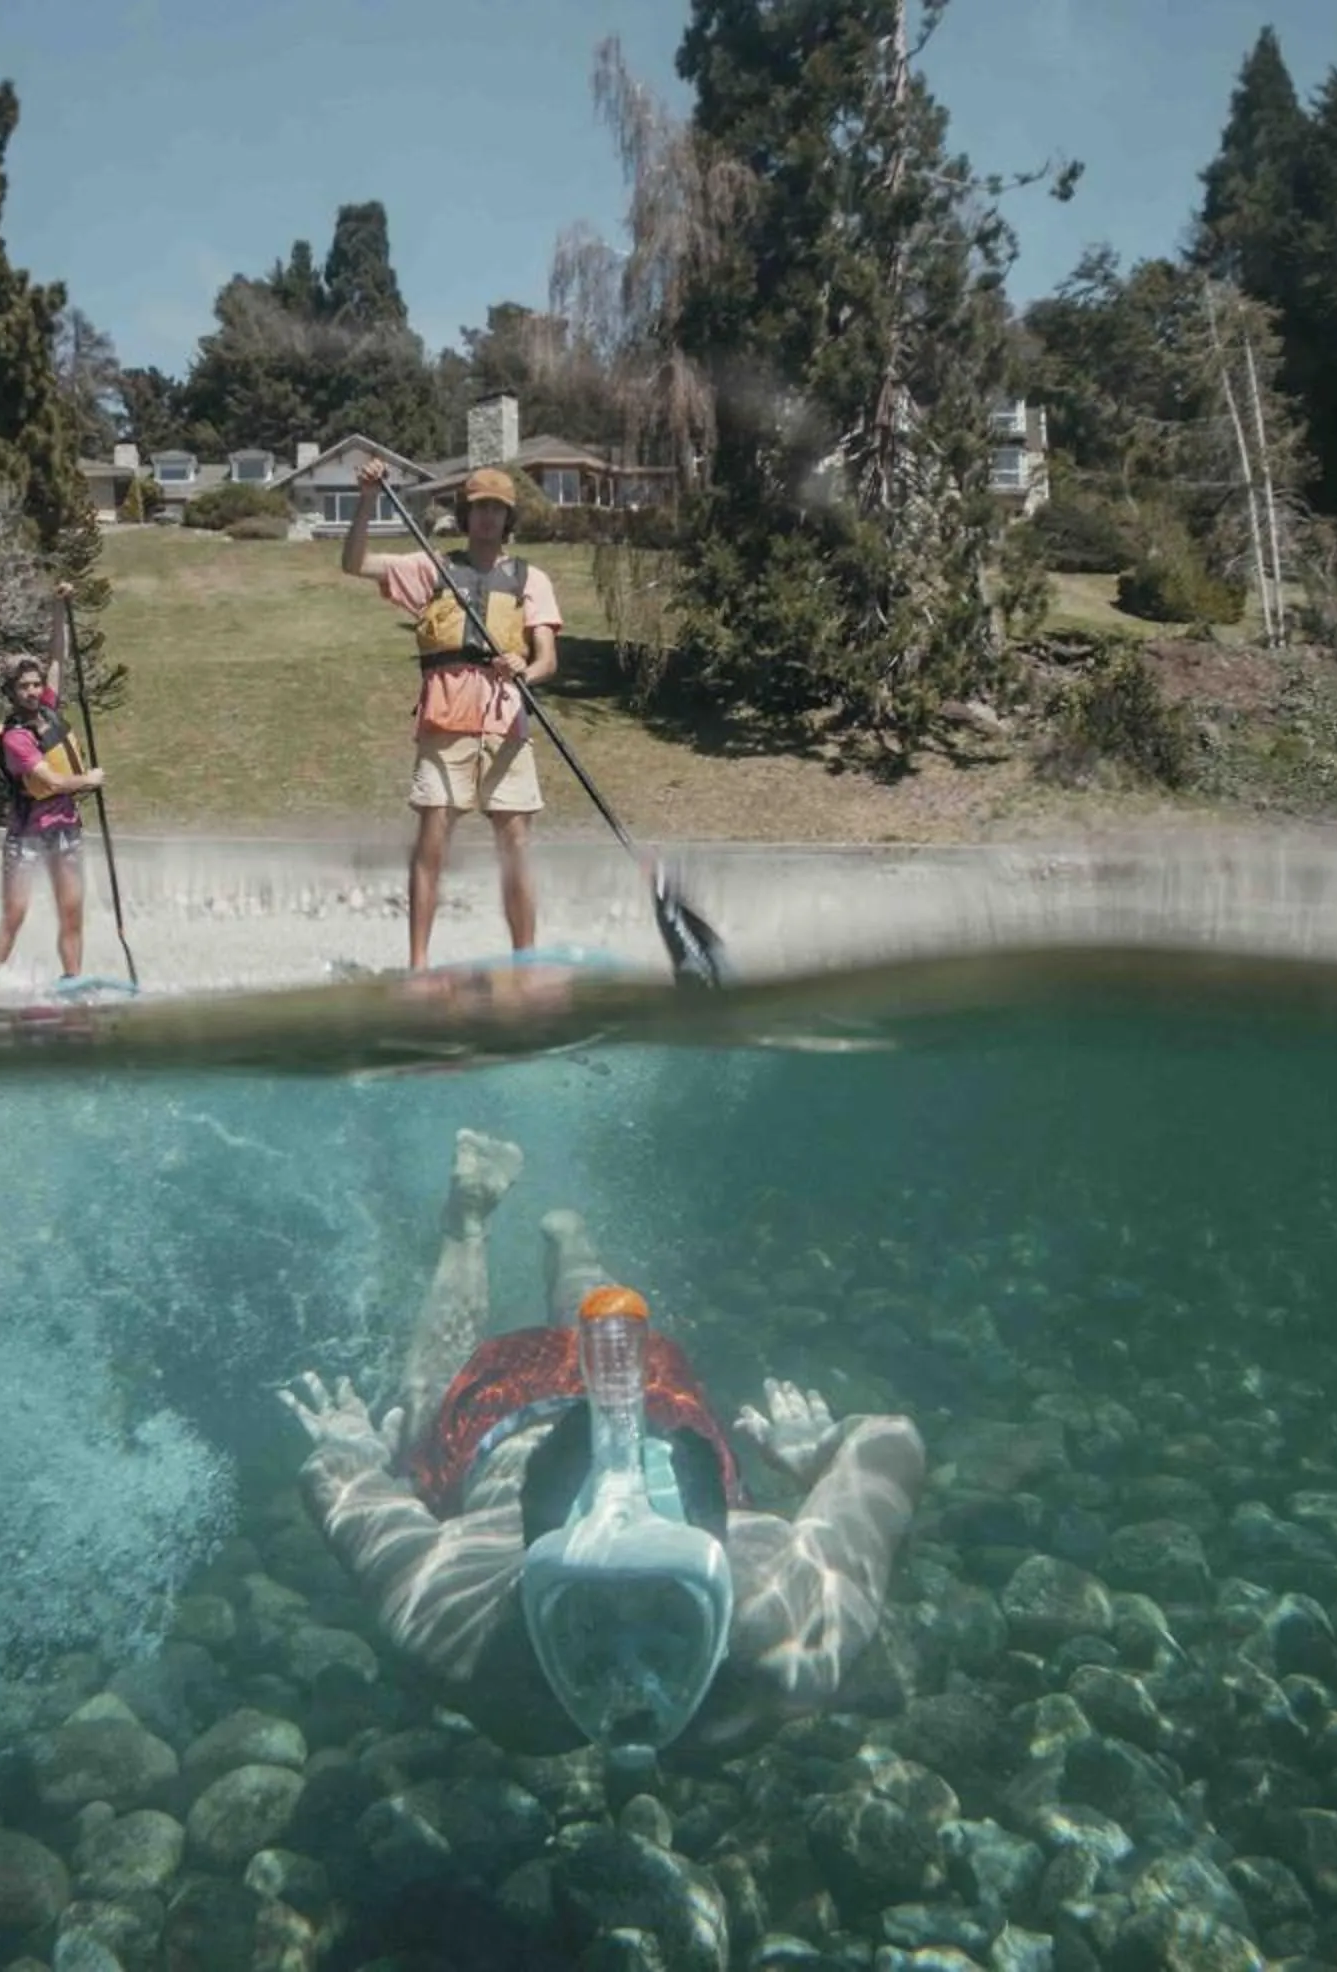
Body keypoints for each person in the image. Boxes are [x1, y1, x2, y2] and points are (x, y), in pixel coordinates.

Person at [281, 1131, 926, 1770]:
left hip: (513, 1425)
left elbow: (335, 1486)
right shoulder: (793, 1637)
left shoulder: (453, 1629)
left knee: (421, 1415)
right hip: (556, 1418)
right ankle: (483, 1229)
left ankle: (496, 1230)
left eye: (671, 1619)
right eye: (588, 1625)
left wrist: (353, 1451)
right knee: (428, 1407)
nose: (628, 1677)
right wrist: (820, 1456)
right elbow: (890, 1441)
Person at [341, 460, 563, 972]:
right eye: (479, 508)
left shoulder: (532, 579)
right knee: (432, 845)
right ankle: (419, 965)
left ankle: (525, 963)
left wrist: (524, 670)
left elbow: (547, 658)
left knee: (516, 849)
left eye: (497, 510)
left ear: (508, 519)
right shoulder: (432, 568)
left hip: (505, 726)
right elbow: (355, 563)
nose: (487, 518)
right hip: (444, 726)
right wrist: (369, 499)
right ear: (465, 514)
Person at [0, 582, 108, 983]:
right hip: (27, 836)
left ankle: (72, 979)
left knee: (71, 910)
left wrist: (60, 607)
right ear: (12, 692)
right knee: (15, 913)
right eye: (24, 687)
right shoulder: (15, 736)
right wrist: (88, 780)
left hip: (66, 831)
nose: (33, 691)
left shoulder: (50, 712)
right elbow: (51, 781)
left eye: (36, 685)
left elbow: (58, 656)